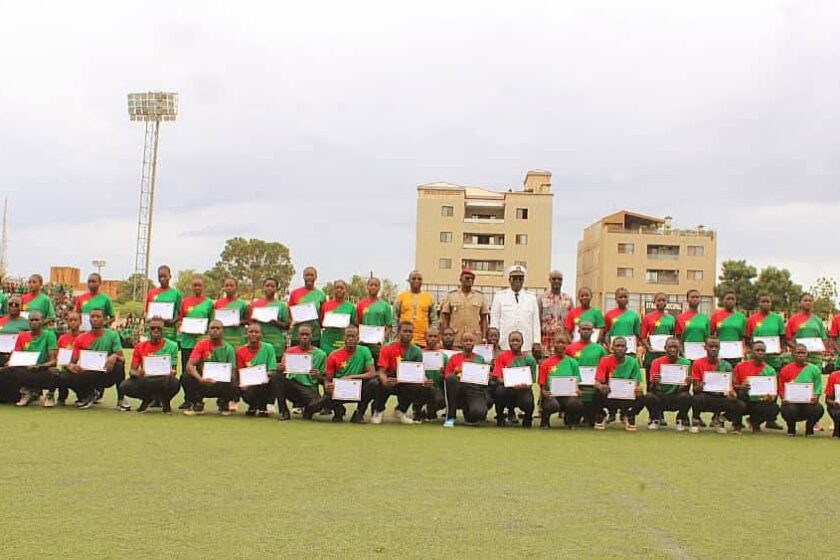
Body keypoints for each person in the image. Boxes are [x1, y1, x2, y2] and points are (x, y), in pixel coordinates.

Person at [65, 309, 126, 410]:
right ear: (89, 320)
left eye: (98, 317)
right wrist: (72, 366)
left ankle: (121, 399)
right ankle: (88, 394)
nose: (95, 319)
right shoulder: (81, 338)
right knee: (64, 376)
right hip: (88, 375)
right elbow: (71, 363)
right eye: (92, 317)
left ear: (104, 319)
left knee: (119, 365)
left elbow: (123, 359)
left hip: (106, 374)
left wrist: (115, 356)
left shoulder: (112, 335)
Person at [118, 316, 180, 413]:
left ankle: (165, 401)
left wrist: (172, 372)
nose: (156, 330)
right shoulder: (139, 347)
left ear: (163, 330)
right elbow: (132, 371)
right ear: (148, 330)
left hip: (163, 379)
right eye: (152, 328)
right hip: (146, 379)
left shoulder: (172, 346)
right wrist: (137, 373)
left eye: (159, 329)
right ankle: (147, 399)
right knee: (124, 386)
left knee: (175, 383)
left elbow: (174, 370)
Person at [372, 321, 427, 424]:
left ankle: (400, 411)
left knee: (419, 386)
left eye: (410, 332)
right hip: (390, 378)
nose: (408, 334)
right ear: (398, 332)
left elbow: (418, 372)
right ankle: (378, 411)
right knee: (378, 383)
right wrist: (385, 381)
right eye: (405, 331)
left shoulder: (417, 351)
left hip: (405, 381)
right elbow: (381, 372)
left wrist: (425, 380)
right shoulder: (387, 347)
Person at [689, 336, 745, 434]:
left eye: (716, 346)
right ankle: (696, 421)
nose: (714, 349)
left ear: (719, 347)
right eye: (711, 346)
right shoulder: (697, 363)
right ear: (705, 347)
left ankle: (719, 420)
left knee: (740, 405)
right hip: (705, 396)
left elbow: (731, 386)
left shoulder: (726, 365)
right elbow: (695, 389)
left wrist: (732, 392)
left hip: (720, 396)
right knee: (696, 398)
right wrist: (700, 386)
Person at [182, 320, 238, 416]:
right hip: (203, 381)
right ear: (208, 331)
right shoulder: (201, 345)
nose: (215, 330)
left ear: (222, 331)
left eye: (218, 328)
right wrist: (201, 379)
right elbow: (189, 365)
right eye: (212, 328)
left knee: (233, 379)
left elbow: (232, 371)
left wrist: (221, 378)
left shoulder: (229, 349)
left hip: (220, 383)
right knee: (186, 376)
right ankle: (197, 403)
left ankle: (224, 402)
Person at [323, 325, 378, 423]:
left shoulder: (365, 351)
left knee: (374, 384)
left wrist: (351, 377)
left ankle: (358, 414)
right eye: (348, 336)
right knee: (322, 399)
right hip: (340, 389)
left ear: (358, 338)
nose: (350, 339)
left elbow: (372, 373)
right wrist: (327, 386)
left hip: (358, 387)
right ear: (344, 337)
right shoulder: (333, 355)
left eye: (353, 336)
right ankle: (338, 412)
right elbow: (328, 378)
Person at [273, 324, 326, 421]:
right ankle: (283, 411)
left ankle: (308, 411)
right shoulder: (289, 351)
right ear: (298, 336)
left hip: (310, 390)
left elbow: (325, 379)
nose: (304, 337)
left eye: (307, 334)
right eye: (302, 334)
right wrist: (280, 368)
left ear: (312, 336)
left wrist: (318, 376)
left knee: (318, 404)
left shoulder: (321, 354)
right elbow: (283, 371)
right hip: (294, 387)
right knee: (277, 376)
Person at [4, 310, 58, 407]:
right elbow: (16, 355)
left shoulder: (50, 335)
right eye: (31, 320)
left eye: (36, 320)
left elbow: (53, 361)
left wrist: (40, 366)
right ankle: (27, 392)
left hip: (42, 369)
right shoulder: (22, 336)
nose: (34, 322)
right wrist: (10, 362)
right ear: (28, 322)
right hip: (26, 368)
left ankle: (49, 395)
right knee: (8, 370)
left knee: (54, 372)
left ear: (42, 321)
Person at [177, 275, 214, 409]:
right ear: (192, 287)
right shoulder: (185, 302)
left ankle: (198, 399)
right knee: (187, 372)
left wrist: (204, 330)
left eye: (199, 285)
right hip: (187, 342)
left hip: (201, 342)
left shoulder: (209, 303)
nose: (197, 287)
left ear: (203, 287)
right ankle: (188, 399)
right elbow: (181, 319)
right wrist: (183, 327)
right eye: (195, 285)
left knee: (200, 371)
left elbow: (212, 322)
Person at [593, 337, 644, 431]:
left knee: (642, 397)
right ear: (612, 348)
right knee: (596, 392)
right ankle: (601, 415)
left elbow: (637, 383)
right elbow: (597, 382)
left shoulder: (633, 362)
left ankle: (629, 416)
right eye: (617, 346)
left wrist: (638, 389)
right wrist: (601, 386)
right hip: (609, 394)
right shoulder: (605, 360)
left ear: (626, 349)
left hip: (626, 396)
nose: (620, 348)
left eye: (622, 346)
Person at [490, 265, 541, 355]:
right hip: (504, 344)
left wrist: (536, 341)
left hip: (526, 345)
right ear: (509, 279)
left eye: (520, 278)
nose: (517, 281)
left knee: (524, 369)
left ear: (523, 280)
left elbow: (536, 322)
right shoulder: (499, 296)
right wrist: (494, 340)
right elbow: (494, 320)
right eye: (514, 278)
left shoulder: (531, 298)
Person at [565, 321, 608, 426]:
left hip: (593, 389)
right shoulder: (570, 348)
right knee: (570, 421)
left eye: (588, 329)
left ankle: (596, 412)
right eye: (583, 329)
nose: (586, 331)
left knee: (591, 421)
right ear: (578, 331)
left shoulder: (600, 349)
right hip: (576, 389)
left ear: (593, 331)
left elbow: (604, 369)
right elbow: (567, 368)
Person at [442, 332, 489, 428]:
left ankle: (468, 413)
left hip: (474, 390)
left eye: (470, 340)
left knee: (479, 414)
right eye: (465, 340)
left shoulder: (480, 359)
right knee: (451, 379)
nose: (468, 343)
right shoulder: (454, 358)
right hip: (458, 390)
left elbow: (484, 379)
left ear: (474, 343)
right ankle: (450, 417)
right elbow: (447, 377)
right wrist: (455, 372)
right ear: (461, 343)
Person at [492, 331, 537, 428]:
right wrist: (510, 383)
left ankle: (527, 418)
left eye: (518, 340)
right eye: (512, 340)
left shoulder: (530, 360)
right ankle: (500, 417)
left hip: (523, 390)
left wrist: (523, 385)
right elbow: (498, 378)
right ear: (508, 342)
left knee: (528, 399)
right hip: (507, 390)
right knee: (499, 391)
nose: (515, 343)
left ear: (522, 342)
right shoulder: (502, 356)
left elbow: (531, 382)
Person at [645, 337, 692, 431]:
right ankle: (655, 418)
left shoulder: (686, 363)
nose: (673, 349)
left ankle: (681, 419)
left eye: (675, 347)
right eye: (670, 347)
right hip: (660, 396)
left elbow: (686, 388)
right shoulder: (656, 362)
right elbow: (651, 387)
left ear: (679, 348)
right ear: (665, 348)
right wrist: (655, 382)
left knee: (687, 396)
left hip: (676, 396)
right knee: (648, 396)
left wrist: (686, 384)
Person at [538, 332, 583, 429]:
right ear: (553, 344)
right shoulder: (546, 363)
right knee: (552, 405)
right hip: (552, 396)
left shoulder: (573, 362)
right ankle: (545, 419)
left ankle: (570, 420)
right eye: (557, 342)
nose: (560, 345)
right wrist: (543, 392)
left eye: (563, 342)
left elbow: (576, 383)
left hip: (568, 395)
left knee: (575, 403)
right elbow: (542, 384)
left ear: (567, 345)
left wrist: (577, 391)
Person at [778, 343, 824, 436]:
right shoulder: (785, 369)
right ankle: (791, 429)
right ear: (793, 354)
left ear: (807, 354)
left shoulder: (814, 369)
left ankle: (809, 428)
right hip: (792, 403)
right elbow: (781, 388)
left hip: (808, 403)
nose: (801, 355)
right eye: (798, 352)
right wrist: (783, 398)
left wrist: (815, 397)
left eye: (803, 352)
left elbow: (818, 387)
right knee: (789, 409)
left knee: (818, 409)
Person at [733, 340, 779, 434]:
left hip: (759, 401)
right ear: (751, 351)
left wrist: (770, 397)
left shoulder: (770, 371)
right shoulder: (740, 366)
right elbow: (733, 386)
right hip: (744, 399)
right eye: (757, 350)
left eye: (763, 350)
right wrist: (741, 387)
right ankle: (736, 424)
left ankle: (755, 422)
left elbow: (773, 393)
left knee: (773, 408)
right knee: (737, 400)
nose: (760, 352)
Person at [235, 322, 278, 416]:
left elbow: (272, 369)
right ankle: (253, 405)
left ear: (261, 334)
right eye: (251, 332)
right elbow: (240, 372)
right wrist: (243, 384)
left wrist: (263, 375)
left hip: (265, 383)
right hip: (249, 384)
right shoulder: (240, 351)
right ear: (246, 334)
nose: (253, 334)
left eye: (256, 332)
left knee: (275, 378)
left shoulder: (269, 348)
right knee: (242, 388)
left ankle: (264, 406)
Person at [440, 268, 488, 348]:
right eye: (467, 278)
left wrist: (483, 337)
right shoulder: (451, 296)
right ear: (460, 279)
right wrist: (445, 336)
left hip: (474, 339)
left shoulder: (480, 296)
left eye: (472, 279)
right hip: (455, 338)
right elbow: (445, 318)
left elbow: (484, 319)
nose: (469, 280)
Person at [250, 277, 291, 360]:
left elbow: (287, 325)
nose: (269, 288)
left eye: (272, 286)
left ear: (276, 289)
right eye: (267, 285)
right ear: (263, 287)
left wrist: (275, 322)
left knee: (275, 367)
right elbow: (250, 325)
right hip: (259, 341)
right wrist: (255, 321)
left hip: (276, 343)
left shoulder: (282, 306)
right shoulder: (255, 304)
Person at [747, 293, 787, 373]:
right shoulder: (752, 319)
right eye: (763, 301)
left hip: (773, 356)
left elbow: (782, 336)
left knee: (773, 378)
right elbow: (748, 337)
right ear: (759, 303)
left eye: (768, 302)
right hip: (757, 357)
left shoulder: (777, 318)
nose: (766, 304)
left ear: (771, 303)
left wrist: (782, 348)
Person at [394, 270, 435, 348]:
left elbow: (434, 320)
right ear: (409, 281)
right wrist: (395, 337)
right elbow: (395, 319)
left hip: (423, 342)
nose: (416, 281)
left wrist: (431, 338)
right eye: (413, 278)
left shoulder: (429, 298)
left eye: (419, 279)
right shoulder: (401, 297)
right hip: (403, 341)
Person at [49, 311, 82, 406]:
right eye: (70, 320)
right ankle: (61, 396)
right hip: (66, 369)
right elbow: (58, 356)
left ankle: (86, 394)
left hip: (81, 370)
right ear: (67, 322)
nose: (73, 322)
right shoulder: (62, 338)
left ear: (80, 322)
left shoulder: (85, 337)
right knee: (60, 375)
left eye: (75, 320)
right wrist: (67, 365)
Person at [357, 277, 393, 362]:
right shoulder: (361, 304)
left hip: (378, 344)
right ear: (367, 287)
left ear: (379, 288)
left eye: (376, 285)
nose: (373, 287)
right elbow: (357, 324)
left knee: (378, 366)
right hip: (364, 343)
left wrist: (383, 339)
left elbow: (389, 326)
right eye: (371, 285)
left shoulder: (385, 306)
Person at [785, 293, 828, 365]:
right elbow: (787, 339)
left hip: (815, 357)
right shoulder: (793, 320)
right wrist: (798, 349)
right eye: (805, 300)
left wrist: (821, 349)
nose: (808, 302)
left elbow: (824, 338)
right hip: (799, 357)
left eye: (810, 300)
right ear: (800, 303)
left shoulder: (818, 320)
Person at [289, 266, 326, 347]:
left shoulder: (321, 294)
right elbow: (290, 313)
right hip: (297, 335)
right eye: (307, 275)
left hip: (314, 335)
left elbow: (322, 316)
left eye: (311, 275)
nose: (309, 277)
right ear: (303, 276)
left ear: (316, 277)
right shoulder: (294, 293)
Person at [145, 265, 183, 342]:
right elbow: (147, 312)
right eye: (160, 277)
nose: (162, 279)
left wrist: (172, 321)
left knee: (168, 352)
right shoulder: (151, 293)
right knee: (154, 353)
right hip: (154, 331)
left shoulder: (176, 293)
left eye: (164, 276)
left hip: (169, 331)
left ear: (170, 276)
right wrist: (150, 319)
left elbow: (180, 313)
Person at [539, 270, 575, 349]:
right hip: (546, 343)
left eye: (559, 279)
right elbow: (537, 321)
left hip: (563, 344)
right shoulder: (541, 298)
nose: (557, 281)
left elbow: (573, 322)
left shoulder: (568, 299)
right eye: (554, 279)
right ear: (549, 280)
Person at [711, 291, 747, 367]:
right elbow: (711, 335)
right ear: (723, 300)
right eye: (728, 299)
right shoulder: (716, 316)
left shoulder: (741, 317)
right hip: (721, 352)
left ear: (736, 301)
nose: (730, 301)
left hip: (736, 353)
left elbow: (743, 337)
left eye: (732, 299)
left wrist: (743, 351)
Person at [641, 293, 676, 372]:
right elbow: (643, 337)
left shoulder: (671, 319)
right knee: (651, 380)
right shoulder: (647, 317)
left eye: (663, 300)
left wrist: (671, 348)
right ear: (654, 302)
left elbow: (673, 336)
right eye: (659, 300)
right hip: (651, 354)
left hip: (666, 354)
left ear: (667, 302)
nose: (661, 302)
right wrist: (648, 347)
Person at [320, 279, 356, 353]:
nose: (339, 290)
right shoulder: (325, 305)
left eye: (342, 288)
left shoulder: (351, 307)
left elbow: (354, 325)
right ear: (333, 290)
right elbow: (321, 322)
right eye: (337, 288)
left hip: (342, 342)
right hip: (327, 342)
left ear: (345, 290)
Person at [420, 326, 447, 420]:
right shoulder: (419, 353)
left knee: (441, 400)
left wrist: (444, 373)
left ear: (439, 338)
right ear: (425, 337)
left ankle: (429, 409)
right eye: (430, 336)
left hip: (437, 387)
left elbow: (448, 374)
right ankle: (418, 409)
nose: (432, 339)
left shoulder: (444, 356)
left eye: (435, 336)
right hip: (421, 387)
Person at [214, 277, 250, 348]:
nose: (229, 288)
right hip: (222, 337)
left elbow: (248, 321)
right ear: (224, 287)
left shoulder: (243, 304)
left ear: (236, 287)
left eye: (231, 286)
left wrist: (240, 322)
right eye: (226, 285)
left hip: (237, 338)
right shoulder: (218, 303)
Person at [675, 289, 711, 359]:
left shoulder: (705, 318)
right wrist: (682, 353)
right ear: (687, 299)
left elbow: (708, 339)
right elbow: (678, 339)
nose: (695, 299)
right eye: (692, 297)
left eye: (697, 297)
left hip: (702, 354)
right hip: (686, 354)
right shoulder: (680, 318)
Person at [824, 367, 840, 438]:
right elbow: (827, 400)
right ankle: (837, 430)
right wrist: (834, 403)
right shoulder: (834, 375)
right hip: (837, 406)